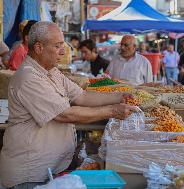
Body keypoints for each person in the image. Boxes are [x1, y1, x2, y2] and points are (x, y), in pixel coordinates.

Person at [0, 21, 138, 189]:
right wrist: (113, 111)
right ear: (38, 48)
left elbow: (83, 96)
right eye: (57, 46)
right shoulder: (28, 77)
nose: (63, 51)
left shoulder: (52, 71)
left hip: (51, 167)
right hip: (31, 173)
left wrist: (119, 97)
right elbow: (65, 114)